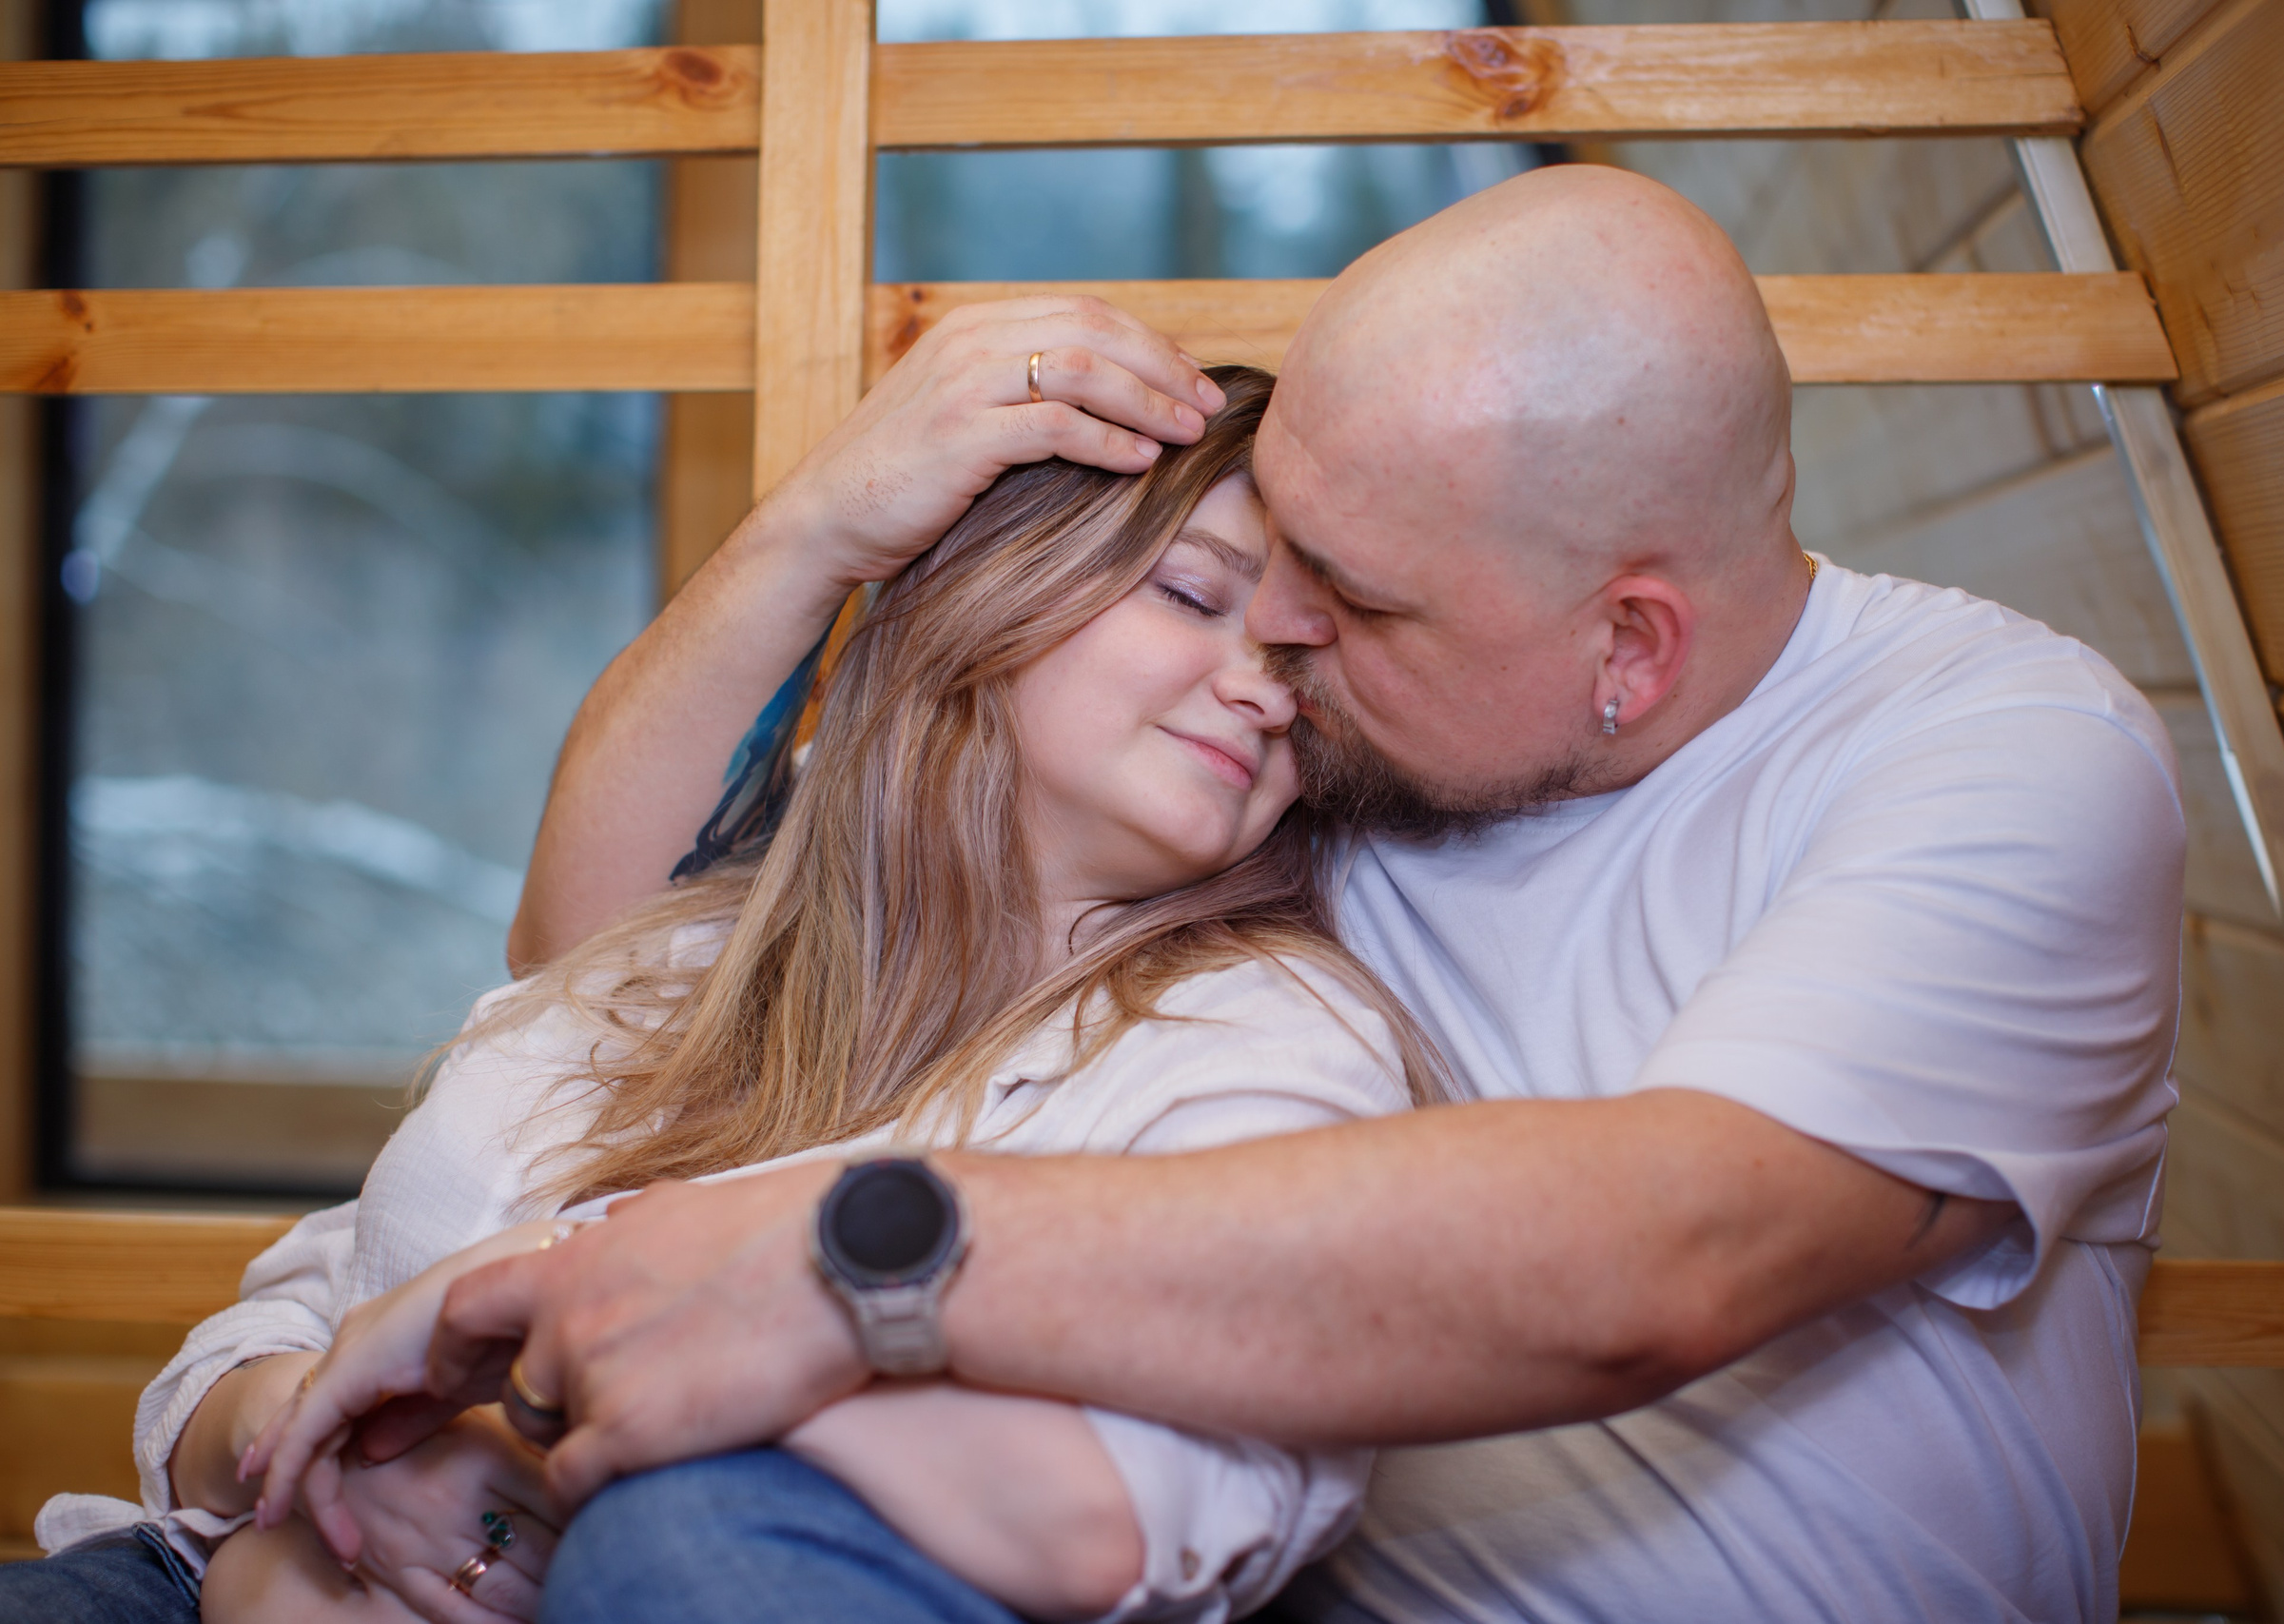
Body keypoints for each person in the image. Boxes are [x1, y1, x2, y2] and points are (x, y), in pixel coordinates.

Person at [248, 165, 2183, 1623]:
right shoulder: (1344, 745)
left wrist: (847, 1257)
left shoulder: (1996, 756)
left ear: (1625, 649)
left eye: (1340, 589)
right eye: (1250, 570)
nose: (1264, 632)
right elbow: (603, 939)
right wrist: (822, 524)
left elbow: (1653, 1258)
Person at [12, 367, 1453, 1624]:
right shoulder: (683, 946)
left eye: (1300, 665)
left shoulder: (1262, 1040)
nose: (1263, 688)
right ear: (991, 584)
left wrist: (551, 1446)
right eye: (1196, 595)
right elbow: (282, 1317)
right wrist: (308, 1439)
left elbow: (1184, 1505)